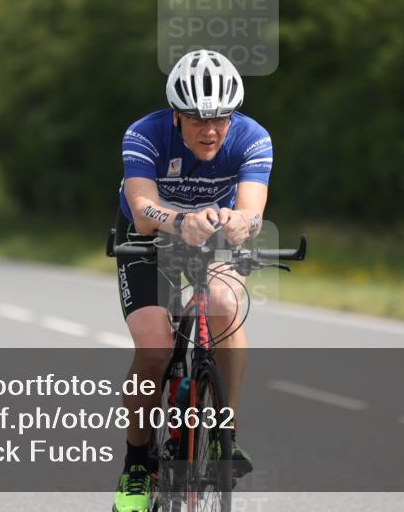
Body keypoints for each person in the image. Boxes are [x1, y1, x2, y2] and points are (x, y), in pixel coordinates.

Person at [112, 49, 272, 512]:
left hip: (215, 234)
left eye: (220, 119)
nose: (210, 131)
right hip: (150, 238)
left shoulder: (253, 137)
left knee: (223, 306)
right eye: (198, 120)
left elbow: (252, 209)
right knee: (155, 348)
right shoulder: (144, 134)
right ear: (176, 115)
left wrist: (243, 224)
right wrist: (180, 221)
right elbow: (142, 211)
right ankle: (138, 460)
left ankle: (225, 435)